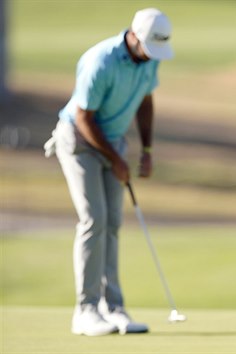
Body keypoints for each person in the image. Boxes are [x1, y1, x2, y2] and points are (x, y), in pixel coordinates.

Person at [44, 8, 174, 336]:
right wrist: (115, 158)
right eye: (148, 48)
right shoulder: (100, 60)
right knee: (94, 220)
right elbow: (84, 118)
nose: (151, 56)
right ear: (133, 36)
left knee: (113, 223)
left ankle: (112, 307)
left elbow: (145, 101)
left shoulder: (149, 57)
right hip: (78, 141)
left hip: (112, 142)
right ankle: (85, 310)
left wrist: (145, 150)